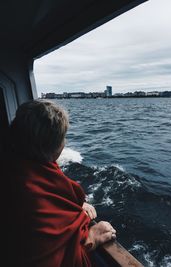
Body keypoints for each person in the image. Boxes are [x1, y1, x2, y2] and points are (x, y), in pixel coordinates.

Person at [5, 99, 116, 267]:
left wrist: (75, 205)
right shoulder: (30, 194)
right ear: (53, 147)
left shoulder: (13, 164)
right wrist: (92, 238)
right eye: (63, 137)